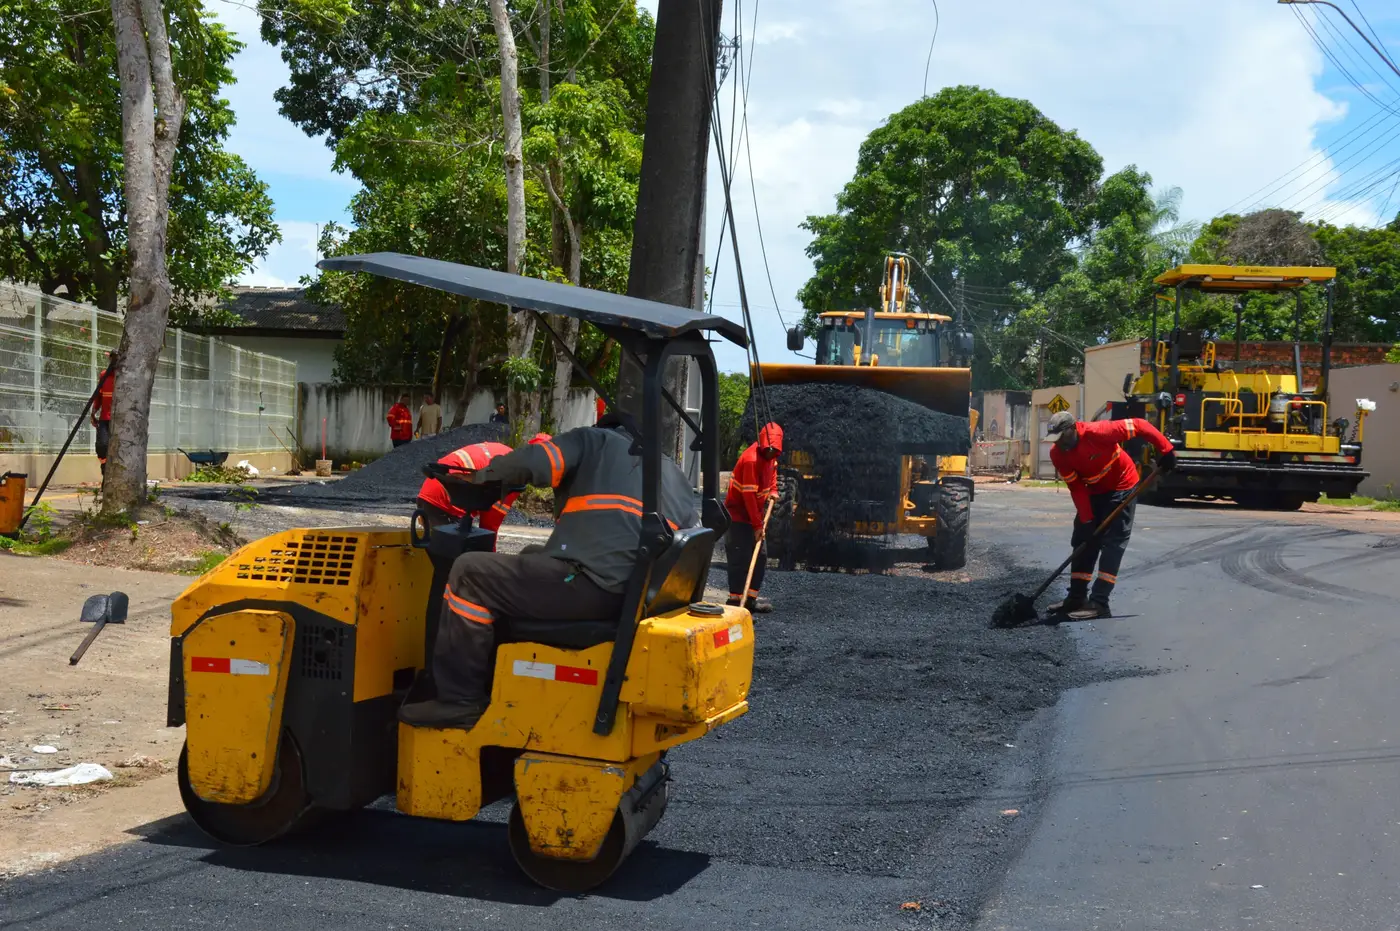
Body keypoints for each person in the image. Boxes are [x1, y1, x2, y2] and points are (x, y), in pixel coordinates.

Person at [399, 416, 699, 729]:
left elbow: (538, 460)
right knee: (530, 554)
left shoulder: (593, 440)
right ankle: (498, 677)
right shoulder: (673, 475)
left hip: (591, 586)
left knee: (469, 572)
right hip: (631, 597)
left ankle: (458, 700)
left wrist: (484, 476)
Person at [1045, 410, 1175, 620]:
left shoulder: (1100, 432)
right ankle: (1077, 598)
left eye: (1061, 437)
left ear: (1072, 429)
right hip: (1093, 491)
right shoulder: (1057, 454)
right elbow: (1076, 487)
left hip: (1122, 486)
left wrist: (1166, 450)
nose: (1058, 443)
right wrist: (1087, 520)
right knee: (1083, 540)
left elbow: (1140, 424)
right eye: (1054, 440)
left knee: (1113, 543)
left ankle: (1099, 603)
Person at [415, 434, 553, 549]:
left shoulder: (503, 451)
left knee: (444, 555)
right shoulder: (514, 476)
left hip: (430, 493)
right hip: (445, 502)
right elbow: (489, 527)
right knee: (457, 559)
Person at [724, 423, 783, 613]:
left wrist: (773, 490)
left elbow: (773, 472)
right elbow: (748, 498)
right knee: (740, 557)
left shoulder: (772, 457)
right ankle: (735, 602)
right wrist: (757, 525)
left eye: (774, 451)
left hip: (755, 513)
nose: (771, 454)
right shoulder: (751, 460)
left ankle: (750, 600)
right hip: (739, 514)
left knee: (761, 556)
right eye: (769, 450)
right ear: (763, 445)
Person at [92, 352, 117, 475]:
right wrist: (93, 411)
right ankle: (105, 473)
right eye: (112, 358)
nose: (114, 361)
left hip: (120, 421)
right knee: (102, 446)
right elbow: (99, 396)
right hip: (105, 418)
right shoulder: (104, 375)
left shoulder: (125, 377)